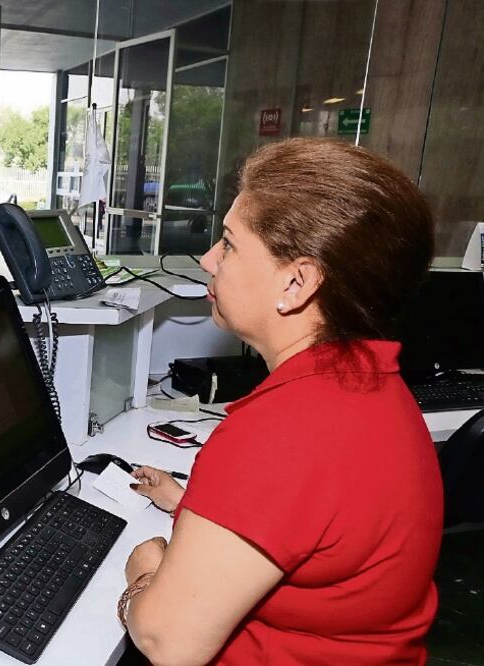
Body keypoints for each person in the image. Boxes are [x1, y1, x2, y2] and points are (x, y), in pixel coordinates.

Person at [119, 138, 442, 665]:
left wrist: (144, 570)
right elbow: (318, 520)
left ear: (296, 283)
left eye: (228, 244)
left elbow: (166, 641)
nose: (207, 260)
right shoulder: (373, 384)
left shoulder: (286, 430)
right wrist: (193, 506)